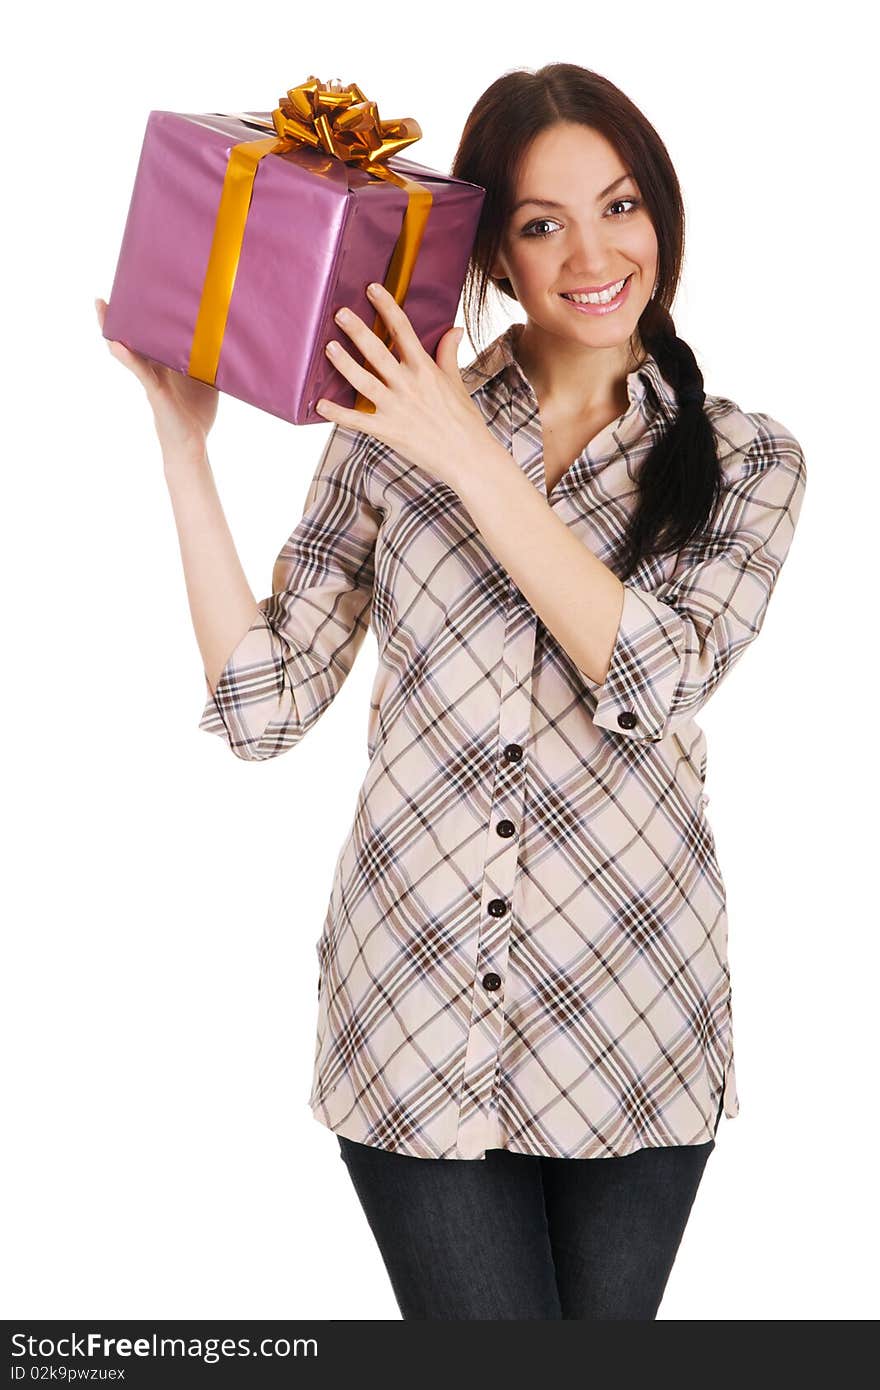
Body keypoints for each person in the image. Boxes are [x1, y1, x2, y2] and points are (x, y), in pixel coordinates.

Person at [96, 62, 807, 1320]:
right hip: (413, 1014)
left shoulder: (749, 460)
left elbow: (654, 677)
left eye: (622, 206)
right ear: (492, 254)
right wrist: (184, 448)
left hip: (634, 1012)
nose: (593, 251)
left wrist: (469, 456)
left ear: (664, 219)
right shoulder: (383, 420)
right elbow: (263, 708)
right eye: (542, 224)